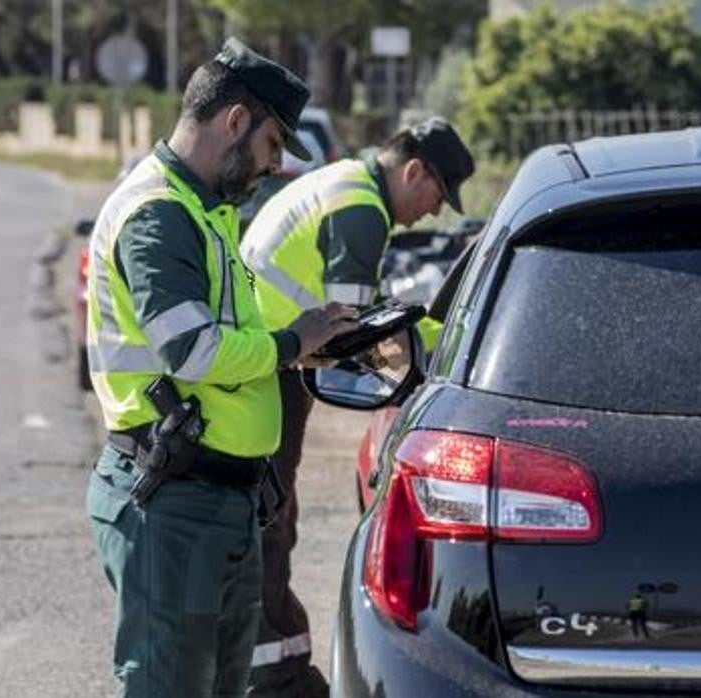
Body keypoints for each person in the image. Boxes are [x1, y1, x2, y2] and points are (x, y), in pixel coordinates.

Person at [84, 38, 358, 698]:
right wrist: (292, 343)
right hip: (173, 506)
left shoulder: (206, 212)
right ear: (235, 122)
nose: (272, 167)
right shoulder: (160, 215)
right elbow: (194, 350)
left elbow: (234, 334)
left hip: (218, 502)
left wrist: (304, 340)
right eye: (271, 146)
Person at [238, 117, 474, 695]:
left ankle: (275, 662)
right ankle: (272, 677)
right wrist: (420, 360)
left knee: (275, 515)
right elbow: (352, 338)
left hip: (262, 358)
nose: (434, 212)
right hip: (272, 369)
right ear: (414, 170)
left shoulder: (345, 182)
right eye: (437, 195)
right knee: (269, 520)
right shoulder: (363, 210)